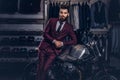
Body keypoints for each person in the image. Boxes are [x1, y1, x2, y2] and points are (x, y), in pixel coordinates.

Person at [36, 5, 77, 80]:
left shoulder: (69, 27)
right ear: (59, 13)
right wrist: (54, 41)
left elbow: (74, 41)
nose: (62, 14)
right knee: (40, 69)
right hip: (44, 48)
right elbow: (45, 33)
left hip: (54, 51)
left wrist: (62, 43)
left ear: (68, 14)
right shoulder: (52, 20)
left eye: (65, 13)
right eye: (61, 12)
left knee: (45, 69)